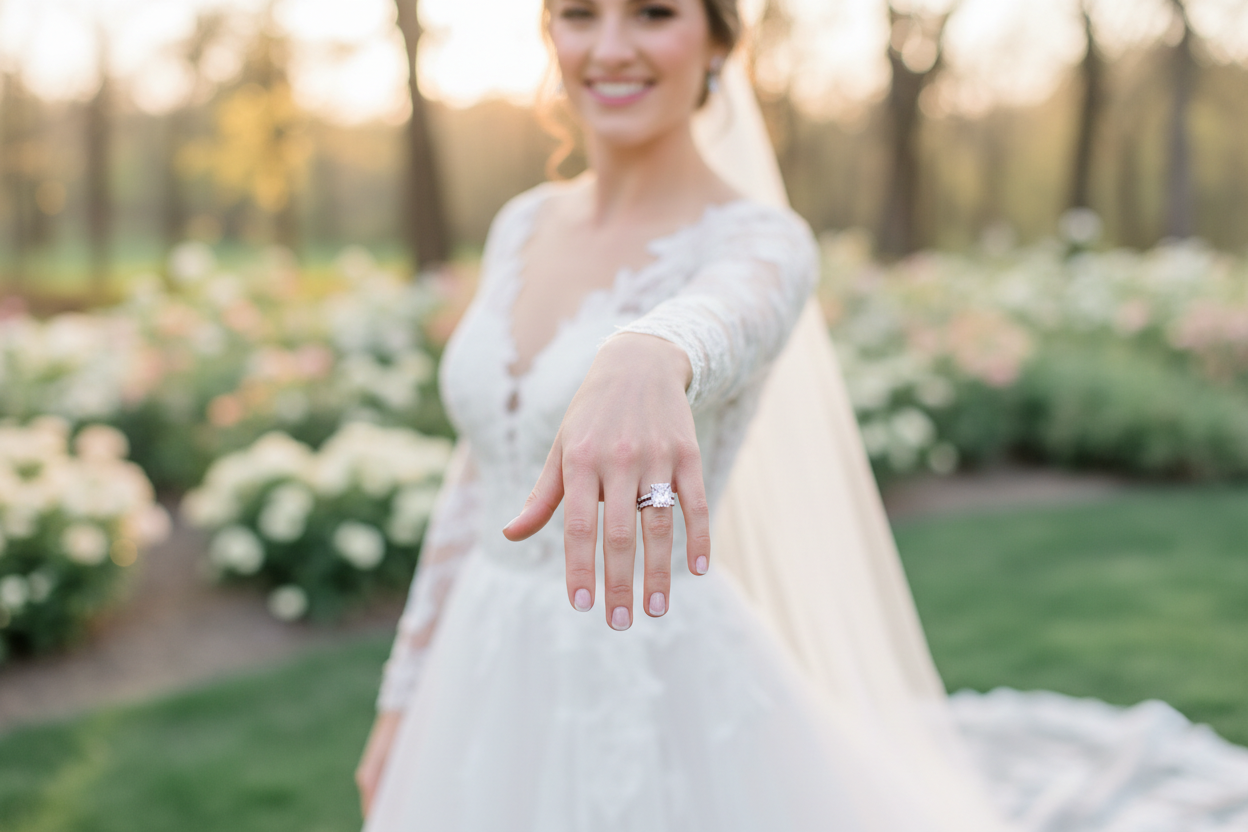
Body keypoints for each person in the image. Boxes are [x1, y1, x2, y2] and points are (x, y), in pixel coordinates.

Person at [355, 1, 1248, 830]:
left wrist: (647, 352)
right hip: (479, 659)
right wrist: (405, 697)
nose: (611, 46)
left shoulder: (760, 242)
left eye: (654, 12)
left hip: (649, 675)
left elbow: (726, 317)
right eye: (580, 12)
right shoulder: (521, 224)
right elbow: (476, 478)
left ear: (718, 41)